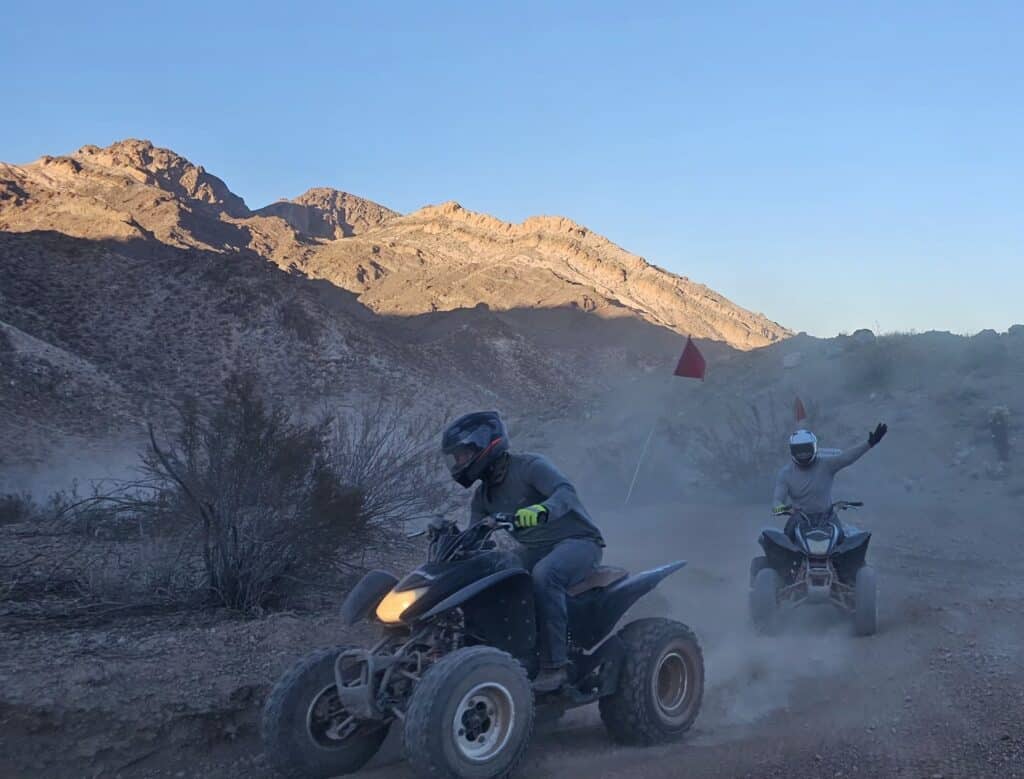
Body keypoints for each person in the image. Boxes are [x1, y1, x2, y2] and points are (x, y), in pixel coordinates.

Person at [441, 410, 604, 693]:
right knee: (496, 577)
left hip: (579, 542)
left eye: (463, 455)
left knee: (544, 575)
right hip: (536, 549)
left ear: (485, 446)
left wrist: (540, 510)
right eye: (455, 458)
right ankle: (506, 655)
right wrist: (449, 539)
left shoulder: (530, 466)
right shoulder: (482, 497)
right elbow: (475, 537)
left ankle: (555, 665)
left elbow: (565, 493)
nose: (459, 463)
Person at [773, 423, 888, 537]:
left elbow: (847, 457)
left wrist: (869, 443)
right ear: (792, 451)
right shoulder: (785, 473)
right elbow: (776, 503)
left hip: (827, 518)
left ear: (814, 447)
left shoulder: (826, 464)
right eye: (799, 450)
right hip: (799, 520)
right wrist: (786, 509)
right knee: (785, 546)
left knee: (843, 544)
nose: (803, 454)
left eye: (806, 449)